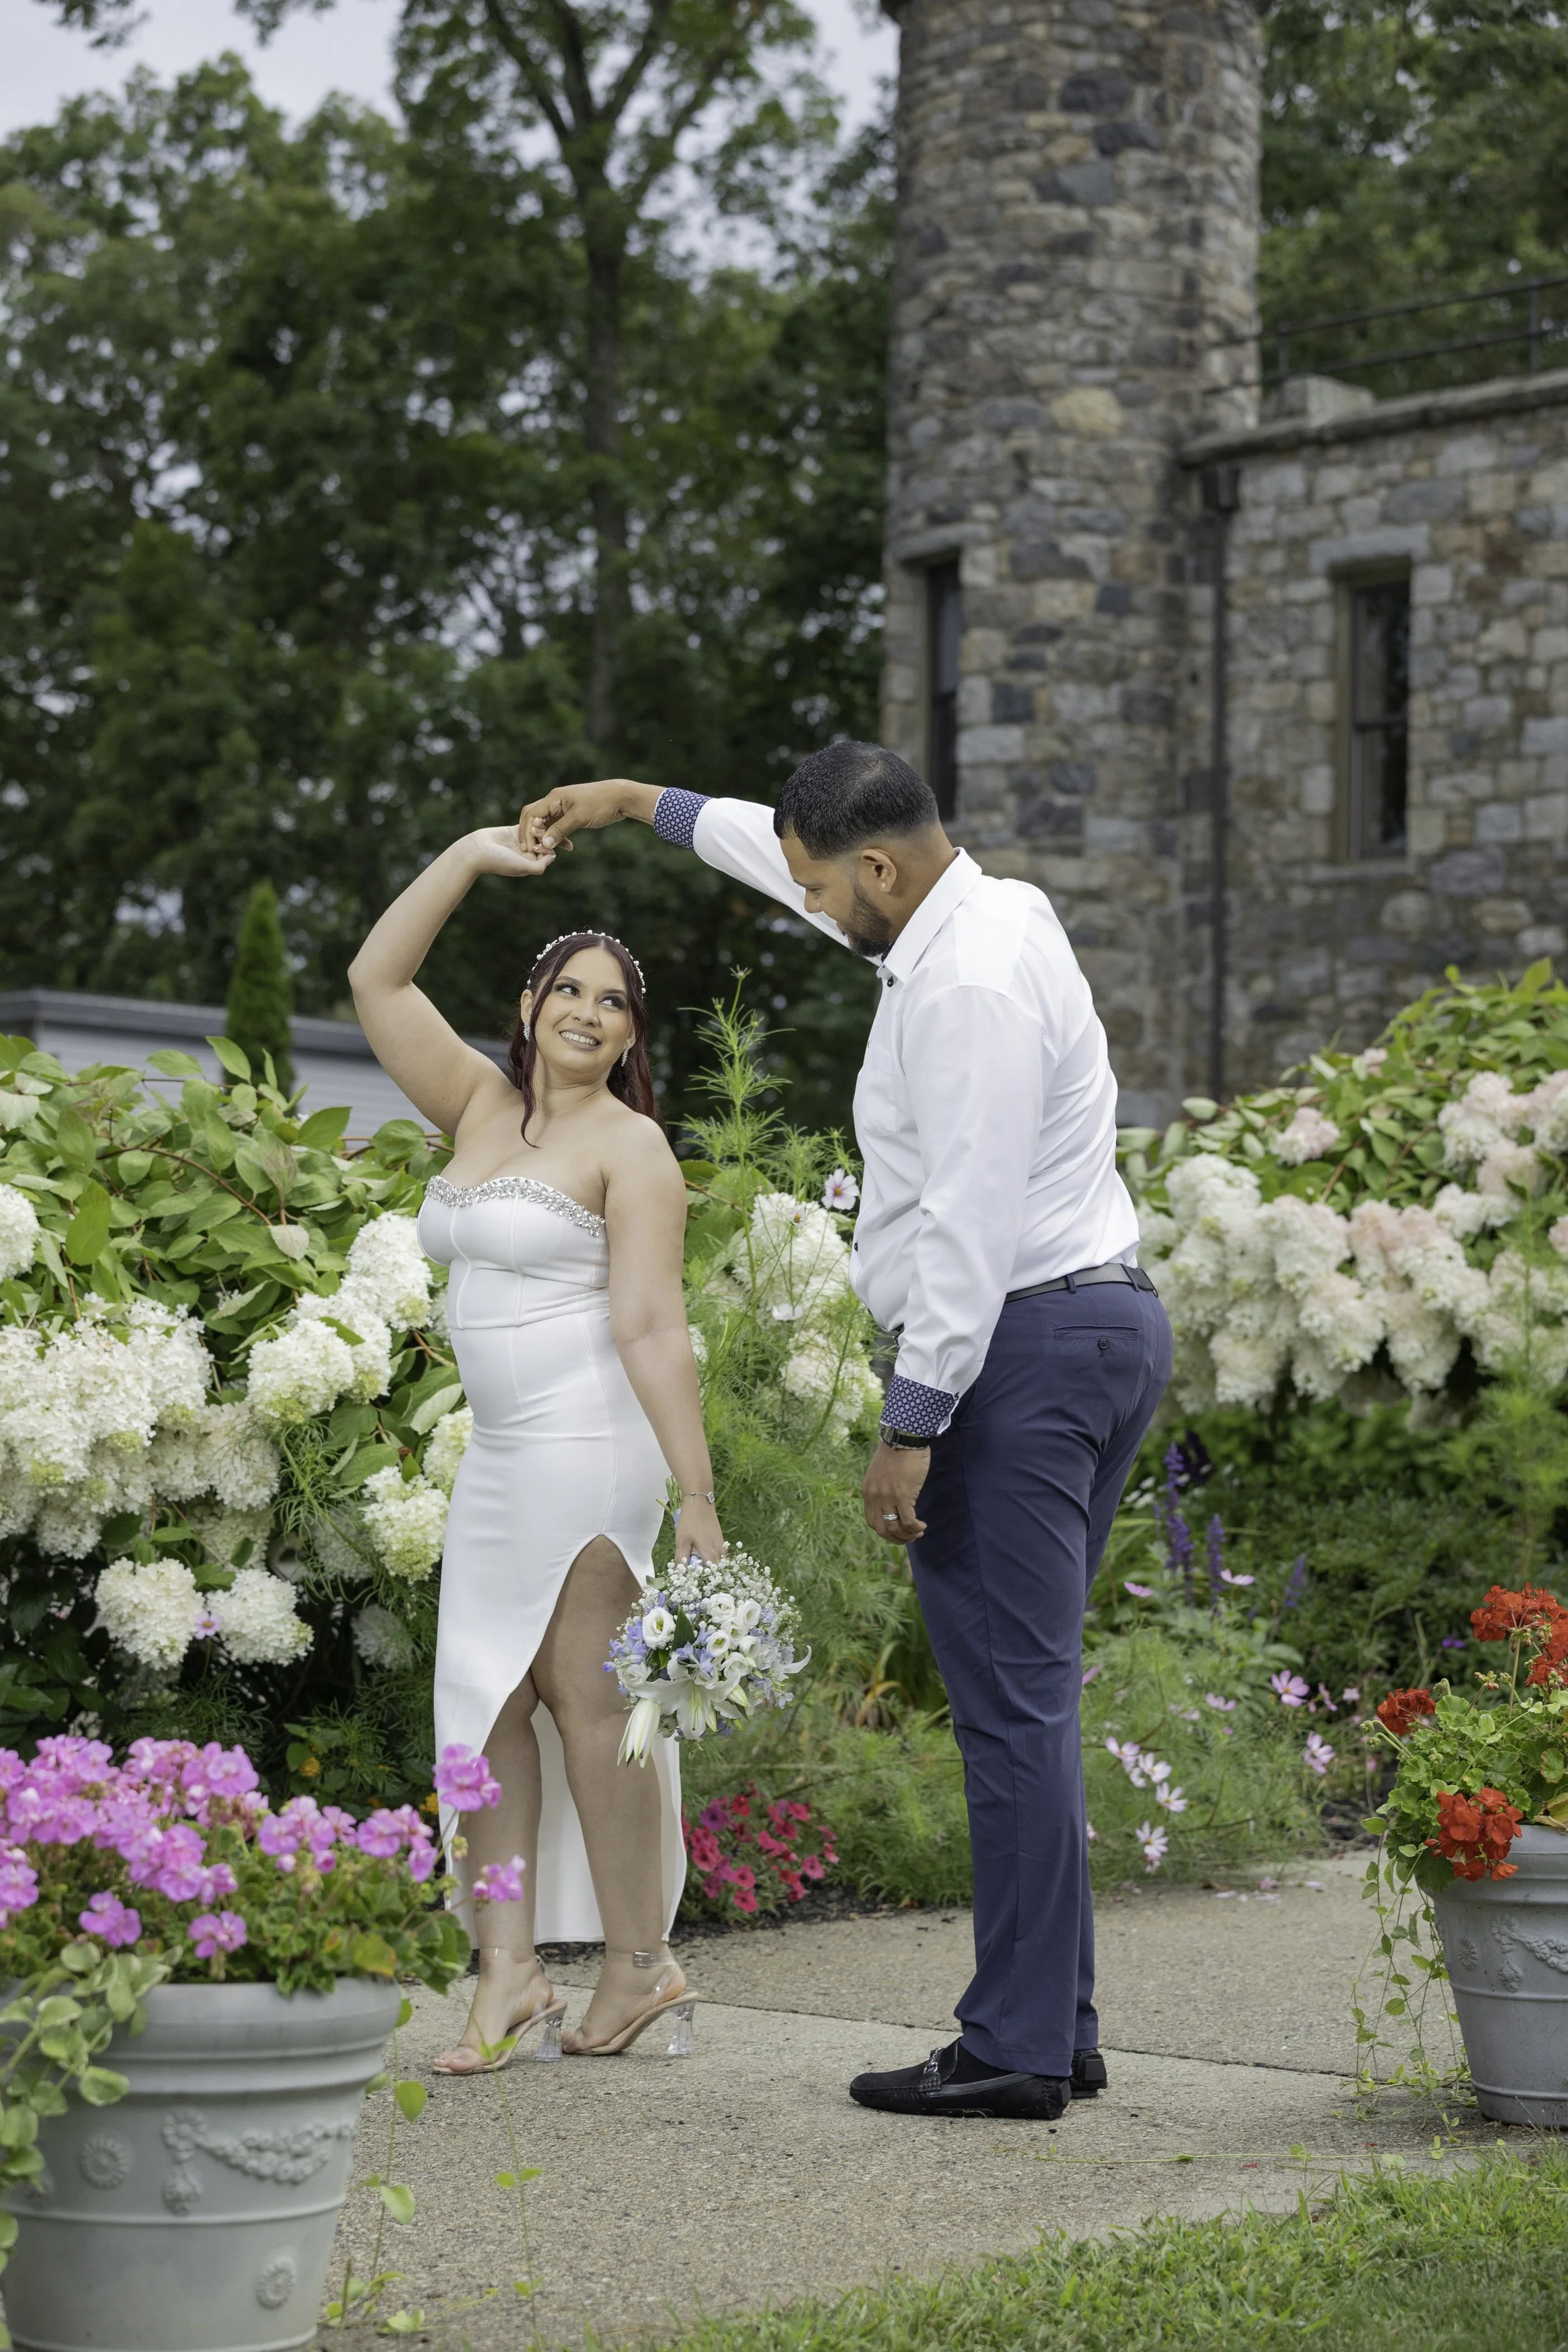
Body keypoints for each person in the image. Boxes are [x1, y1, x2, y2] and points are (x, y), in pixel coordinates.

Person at [517, 746, 1173, 2120]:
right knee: (1033, 1702)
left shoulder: (969, 987)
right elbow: (778, 857)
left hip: (1015, 1354)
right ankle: (1057, 2025)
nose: (808, 906)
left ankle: (1013, 2052)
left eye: (823, 888)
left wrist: (911, 1423)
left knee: (1007, 1714)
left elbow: (970, 1225)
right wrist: (633, 805)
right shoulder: (978, 907)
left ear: (879, 867)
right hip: (1094, 1329)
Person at [349, 824, 719, 2069]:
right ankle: (505, 1967)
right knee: (480, 1701)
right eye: (568, 988)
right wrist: (466, 856)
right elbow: (376, 979)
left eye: (612, 1002)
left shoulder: (630, 1146)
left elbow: (652, 1324)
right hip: (500, 1453)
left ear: (629, 1036)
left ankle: (639, 1963)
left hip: (590, 1446)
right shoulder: (475, 1104)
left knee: (585, 1699)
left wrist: (696, 1497)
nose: (586, 1011)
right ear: (529, 1005)